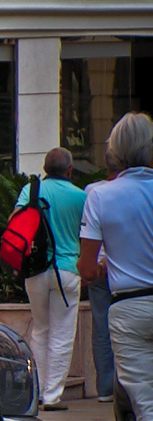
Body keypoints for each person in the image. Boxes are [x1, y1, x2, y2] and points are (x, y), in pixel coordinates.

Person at [79, 112, 153, 421]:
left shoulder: (100, 195)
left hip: (128, 307)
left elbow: (88, 269)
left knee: (145, 407)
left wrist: (110, 267)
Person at [15, 146, 87, 411]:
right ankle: (53, 396)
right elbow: (89, 235)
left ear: (45, 169)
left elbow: (16, 221)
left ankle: (36, 392)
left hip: (35, 270)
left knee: (40, 330)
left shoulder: (30, 191)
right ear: (69, 170)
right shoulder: (81, 197)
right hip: (67, 270)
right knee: (62, 334)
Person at [85, 155, 121, 403]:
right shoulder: (133, 191)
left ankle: (105, 388)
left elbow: (87, 229)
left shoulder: (92, 190)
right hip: (123, 268)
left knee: (101, 327)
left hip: (97, 267)